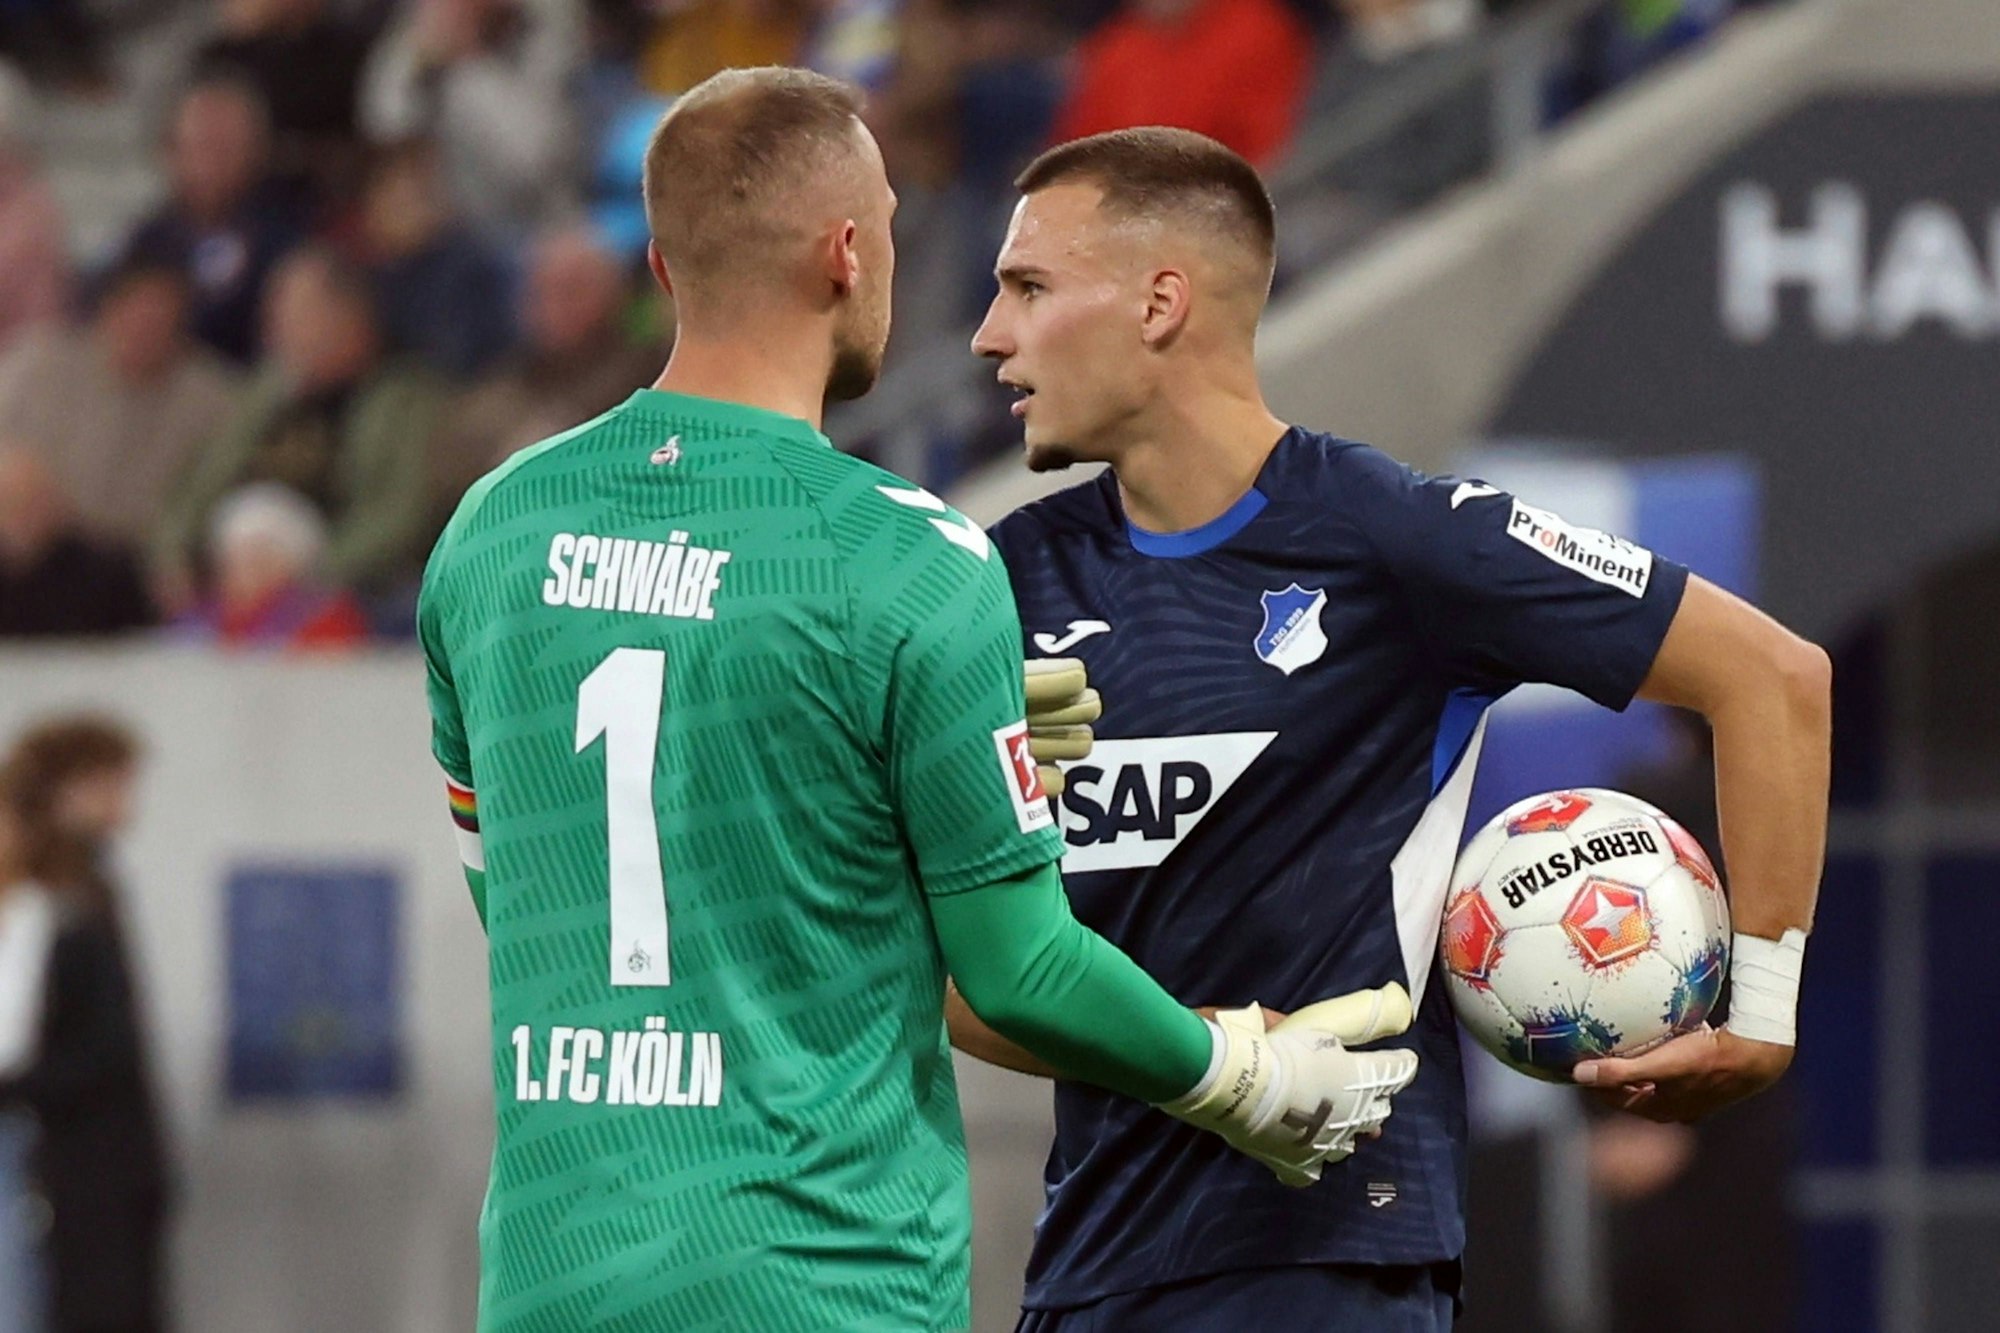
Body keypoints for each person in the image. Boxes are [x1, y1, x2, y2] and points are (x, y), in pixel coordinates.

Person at [418, 68, 1418, 1333]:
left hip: (554, 1280)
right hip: (818, 1280)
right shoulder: (904, 560)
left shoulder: (493, 531)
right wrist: (1241, 1076)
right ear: (845, 253)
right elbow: (1019, 972)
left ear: (664, 267)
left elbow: (536, 904)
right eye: (887, 222)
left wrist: (880, 787)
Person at [956, 127, 1831, 1330]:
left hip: (1325, 1261)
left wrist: (1761, 1016)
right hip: (1083, 1270)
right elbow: (960, 976)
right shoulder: (999, 585)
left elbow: (1773, 678)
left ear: (1160, 302)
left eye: (1028, 287)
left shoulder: (1398, 539)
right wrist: (1212, 1063)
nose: (987, 336)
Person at [0, 719, 172, 1333]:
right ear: (69, 790)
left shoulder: (86, 890)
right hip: (72, 1168)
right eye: (115, 784)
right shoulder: (47, 904)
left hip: (104, 1161)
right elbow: (68, 1046)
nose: (127, 802)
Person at [151, 246, 446, 604]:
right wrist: (175, 557)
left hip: (348, 594)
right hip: (234, 586)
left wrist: (308, 577)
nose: (275, 329)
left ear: (349, 316)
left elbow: (399, 517)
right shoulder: (265, 396)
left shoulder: (403, 400)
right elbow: (198, 485)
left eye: (295, 314)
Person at [0, 257, 242, 559]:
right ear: (109, 309)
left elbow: (209, 499)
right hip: (28, 547)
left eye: (161, 322)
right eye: (136, 313)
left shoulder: (212, 402)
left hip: (134, 564)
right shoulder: (41, 362)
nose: (144, 330)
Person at [117, 76, 304, 365]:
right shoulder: (148, 240)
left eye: (226, 146)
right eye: (201, 144)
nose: (211, 163)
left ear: (257, 151)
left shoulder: (287, 239)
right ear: (171, 151)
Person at [175, 483, 372, 651]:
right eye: (235, 557)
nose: (245, 569)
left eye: (259, 557)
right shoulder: (198, 620)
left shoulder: (324, 616)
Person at [0, 446, 154, 639]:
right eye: (12, 503)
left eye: (33, 500)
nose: (23, 515)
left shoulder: (109, 568)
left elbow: (143, 643)